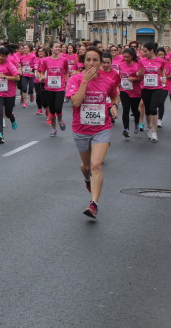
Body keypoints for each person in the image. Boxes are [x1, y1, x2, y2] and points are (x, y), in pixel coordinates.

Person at [65, 46, 119, 219]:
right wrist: (85, 81)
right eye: (88, 60)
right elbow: (76, 102)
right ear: (83, 62)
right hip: (81, 129)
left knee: (96, 165)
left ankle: (93, 203)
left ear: (101, 62)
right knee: (86, 166)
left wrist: (114, 106)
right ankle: (87, 179)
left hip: (102, 128)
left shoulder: (108, 80)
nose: (92, 63)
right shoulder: (74, 79)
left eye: (96, 60)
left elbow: (114, 95)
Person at [0, 46, 20, 144]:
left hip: (9, 92)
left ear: (7, 56)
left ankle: (12, 118)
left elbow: (17, 77)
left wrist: (5, 76)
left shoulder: (9, 64)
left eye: (3, 56)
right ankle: (0, 134)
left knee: (8, 112)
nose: (0, 58)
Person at [38, 41, 70, 137]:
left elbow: (67, 72)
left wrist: (66, 83)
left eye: (59, 47)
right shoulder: (46, 60)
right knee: (51, 110)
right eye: (56, 47)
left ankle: (60, 120)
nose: (58, 48)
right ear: (51, 48)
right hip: (49, 88)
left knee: (58, 108)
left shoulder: (64, 60)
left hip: (60, 88)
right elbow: (41, 72)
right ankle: (54, 129)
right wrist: (42, 76)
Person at [137, 42, 166, 142]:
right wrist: (139, 74)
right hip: (145, 87)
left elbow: (162, 71)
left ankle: (154, 131)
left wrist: (163, 78)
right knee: (148, 110)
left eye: (145, 51)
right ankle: (149, 127)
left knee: (154, 109)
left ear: (152, 51)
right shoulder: (142, 61)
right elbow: (138, 73)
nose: (143, 53)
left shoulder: (160, 61)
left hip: (157, 88)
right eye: (143, 51)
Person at [117, 47, 142, 137]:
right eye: (124, 57)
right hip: (124, 90)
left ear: (132, 56)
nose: (126, 59)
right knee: (126, 109)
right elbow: (118, 76)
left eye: (127, 57)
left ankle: (136, 123)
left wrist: (134, 78)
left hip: (135, 91)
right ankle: (126, 128)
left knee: (135, 110)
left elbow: (141, 78)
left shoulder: (137, 65)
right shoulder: (121, 65)